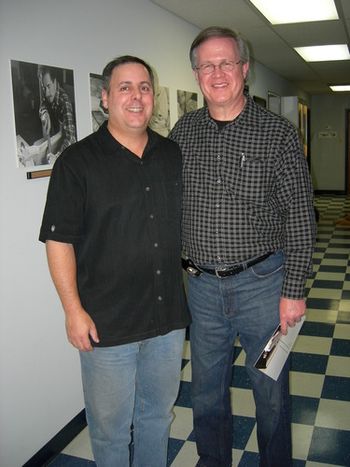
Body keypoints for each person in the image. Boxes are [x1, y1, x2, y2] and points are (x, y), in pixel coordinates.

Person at [170, 27, 316, 467]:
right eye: (207, 65)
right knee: (206, 393)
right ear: (196, 74)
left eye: (226, 63)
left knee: (270, 393)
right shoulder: (183, 131)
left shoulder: (278, 134)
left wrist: (294, 291)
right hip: (201, 288)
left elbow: (300, 217)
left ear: (244, 69)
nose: (217, 73)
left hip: (263, 286)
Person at [39, 55, 190, 467]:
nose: (136, 97)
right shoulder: (77, 163)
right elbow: (58, 241)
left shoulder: (171, 155)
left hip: (166, 321)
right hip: (106, 325)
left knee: (157, 416)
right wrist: (73, 311)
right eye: (124, 88)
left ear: (152, 97)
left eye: (144, 87)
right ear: (106, 98)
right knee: (109, 431)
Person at [38, 65, 76, 163]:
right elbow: (42, 104)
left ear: (55, 82)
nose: (46, 93)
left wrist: (57, 157)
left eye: (48, 86)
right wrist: (44, 113)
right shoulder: (48, 93)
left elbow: (71, 139)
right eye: (44, 88)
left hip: (69, 141)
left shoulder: (65, 102)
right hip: (58, 133)